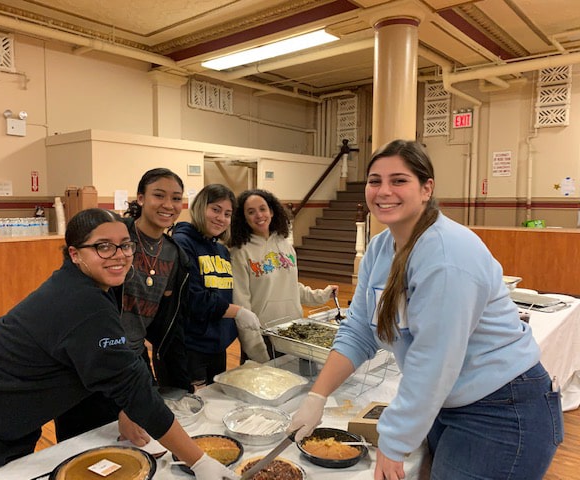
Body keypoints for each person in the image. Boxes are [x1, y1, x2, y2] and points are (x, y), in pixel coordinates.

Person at [288, 140, 563, 480]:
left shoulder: (447, 254)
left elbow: (434, 361)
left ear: (426, 188)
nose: (384, 190)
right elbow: (359, 328)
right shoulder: (380, 248)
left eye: (399, 180)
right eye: (375, 181)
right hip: (450, 402)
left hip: (502, 410)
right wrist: (318, 394)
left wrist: (394, 441)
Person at [0, 208, 238, 480]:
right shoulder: (81, 302)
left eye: (125, 244)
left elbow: (117, 365)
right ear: (74, 253)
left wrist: (126, 406)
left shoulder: (93, 285)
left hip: (4, 412)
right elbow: (134, 390)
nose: (119, 255)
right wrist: (199, 462)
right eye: (103, 246)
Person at [54, 168, 194, 443]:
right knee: (82, 445)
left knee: (135, 445)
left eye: (176, 198)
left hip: (133, 359)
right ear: (140, 198)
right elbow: (76, 296)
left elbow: (169, 326)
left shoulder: (175, 254)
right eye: (159, 195)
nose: (168, 204)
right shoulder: (111, 236)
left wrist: (181, 384)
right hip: (88, 360)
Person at [172, 184, 268, 387]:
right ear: (200, 207)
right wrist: (237, 312)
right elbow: (193, 297)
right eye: (215, 209)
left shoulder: (221, 250)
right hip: (191, 347)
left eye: (227, 213)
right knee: (193, 407)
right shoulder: (183, 243)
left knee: (213, 401)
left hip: (217, 345)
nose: (221, 218)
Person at [229, 189, 338, 331]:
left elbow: (291, 286)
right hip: (263, 334)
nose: (259, 215)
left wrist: (322, 295)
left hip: (294, 329)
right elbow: (241, 302)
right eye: (251, 212)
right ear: (244, 218)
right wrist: (254, 346)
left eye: (263, 209)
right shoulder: (240, 252)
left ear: (272, 212)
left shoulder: (285, 245)